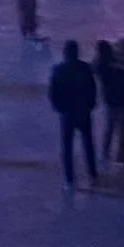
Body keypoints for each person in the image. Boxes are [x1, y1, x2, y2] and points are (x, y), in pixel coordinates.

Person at [48, 40, 99, 188]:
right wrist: (90, 105)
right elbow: (92, 88)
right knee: (88, 143)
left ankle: (69, 178)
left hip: (67, 113)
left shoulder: (58, 70)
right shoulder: (85, 68)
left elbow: (53, 93)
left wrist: (59, 108)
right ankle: (92, 174)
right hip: (83, 112)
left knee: (67, 146)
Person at [94, 39, 124, 166]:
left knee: (109, 128)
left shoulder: (100, 67)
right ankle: (123, 156)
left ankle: (105, 153)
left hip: (109, 101)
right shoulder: (118, 67)